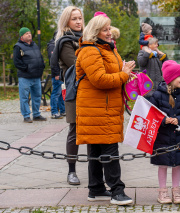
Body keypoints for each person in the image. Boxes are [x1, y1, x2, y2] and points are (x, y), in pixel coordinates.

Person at [75, 15, 136, 205]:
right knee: (109, 148)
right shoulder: (90, 51)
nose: (109, 32)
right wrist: (123, 75)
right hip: (98, 108)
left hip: (103, 107)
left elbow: (112, 73)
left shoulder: (106, 48)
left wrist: (125, 71)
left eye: (110, 28)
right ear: (95, 32)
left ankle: (96, 189)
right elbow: (100, 79)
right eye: (105, 30)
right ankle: (117, 191)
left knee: (96, 149)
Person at [149, 60, 180, 204]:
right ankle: (162, 192)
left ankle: (176, 191)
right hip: (162, 137)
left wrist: (179, 120)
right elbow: (151, 114)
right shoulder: (157, 95)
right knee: (162, 164)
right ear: (170, 78)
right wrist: (164, 120)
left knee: (177, 164)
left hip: (179, 136)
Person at [50, 6, 85, 185]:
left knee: (95, 128)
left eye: (80, 18)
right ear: (67, 21)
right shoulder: (65, 42)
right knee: (75, 129)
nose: (78, 22)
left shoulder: (86, 38)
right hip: (75, 90)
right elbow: (79, 65)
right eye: (74, 19)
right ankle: (71, 171)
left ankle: (98, 170)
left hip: (91, 90)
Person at [13, 27, 47, 123]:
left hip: (36, 76)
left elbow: (39, 57)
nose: (29, 34)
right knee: (24, 97)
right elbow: (16, 62)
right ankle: (26, 116)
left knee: (37, 96)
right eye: (27, 33)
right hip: (25, 77)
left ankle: (36, 114)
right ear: (22, 36)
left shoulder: (34, 45)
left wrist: (42, 65)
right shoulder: (18, 46)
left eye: (30, 33)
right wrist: (26, 68)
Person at [47, 32, 65, 119]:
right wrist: (57, 73)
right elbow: (53, 61)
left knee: (61, 92)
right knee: (56, 93)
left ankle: (62, 110)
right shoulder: (52, 45)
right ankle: (54, 112)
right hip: (57, 73)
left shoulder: (58, 44)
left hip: (61, 73)